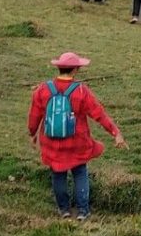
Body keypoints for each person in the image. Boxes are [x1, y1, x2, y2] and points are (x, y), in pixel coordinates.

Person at [27, 52, 125, 222]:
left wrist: (32, 133)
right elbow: (99, 114)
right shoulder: (81, 91)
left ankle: (64, 209)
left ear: (59, 68)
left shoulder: (43, 89)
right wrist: (115, 132)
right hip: (77, 143)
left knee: (58, 175)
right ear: (75, 70)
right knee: (80, 173)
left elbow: (34, 116)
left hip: (52, 143)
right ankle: (82, 211)